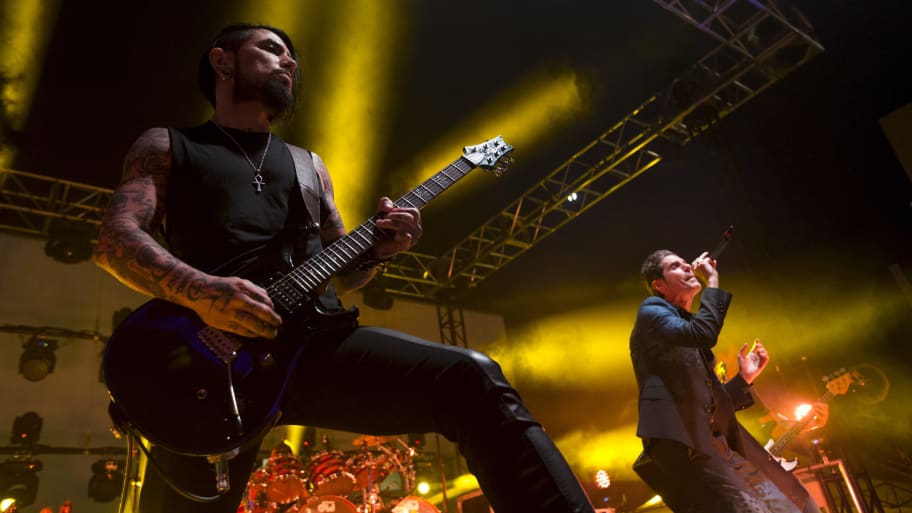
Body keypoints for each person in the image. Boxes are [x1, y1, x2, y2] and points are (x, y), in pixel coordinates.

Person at [94, 23, 594, 513]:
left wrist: (380, 249)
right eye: (270, 49)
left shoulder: (310, 166)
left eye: (291, 56)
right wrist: (204, 292)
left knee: (472, 379)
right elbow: (115, 240)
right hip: (210, 362)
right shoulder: (167, 146)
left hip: (317, 345)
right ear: (221, 61)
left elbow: (347, 272)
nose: (289, 61)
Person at [629, 249, 817, 513]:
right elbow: (704, 332)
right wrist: (713, 282)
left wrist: (745, 378)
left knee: (796, 506)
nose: (687, 267)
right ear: (658, 284)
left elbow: (708, 401)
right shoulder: (651, 311)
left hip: (716, 443)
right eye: (675, 266)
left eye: (686, 263)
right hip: (686, 443)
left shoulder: (684, 327)